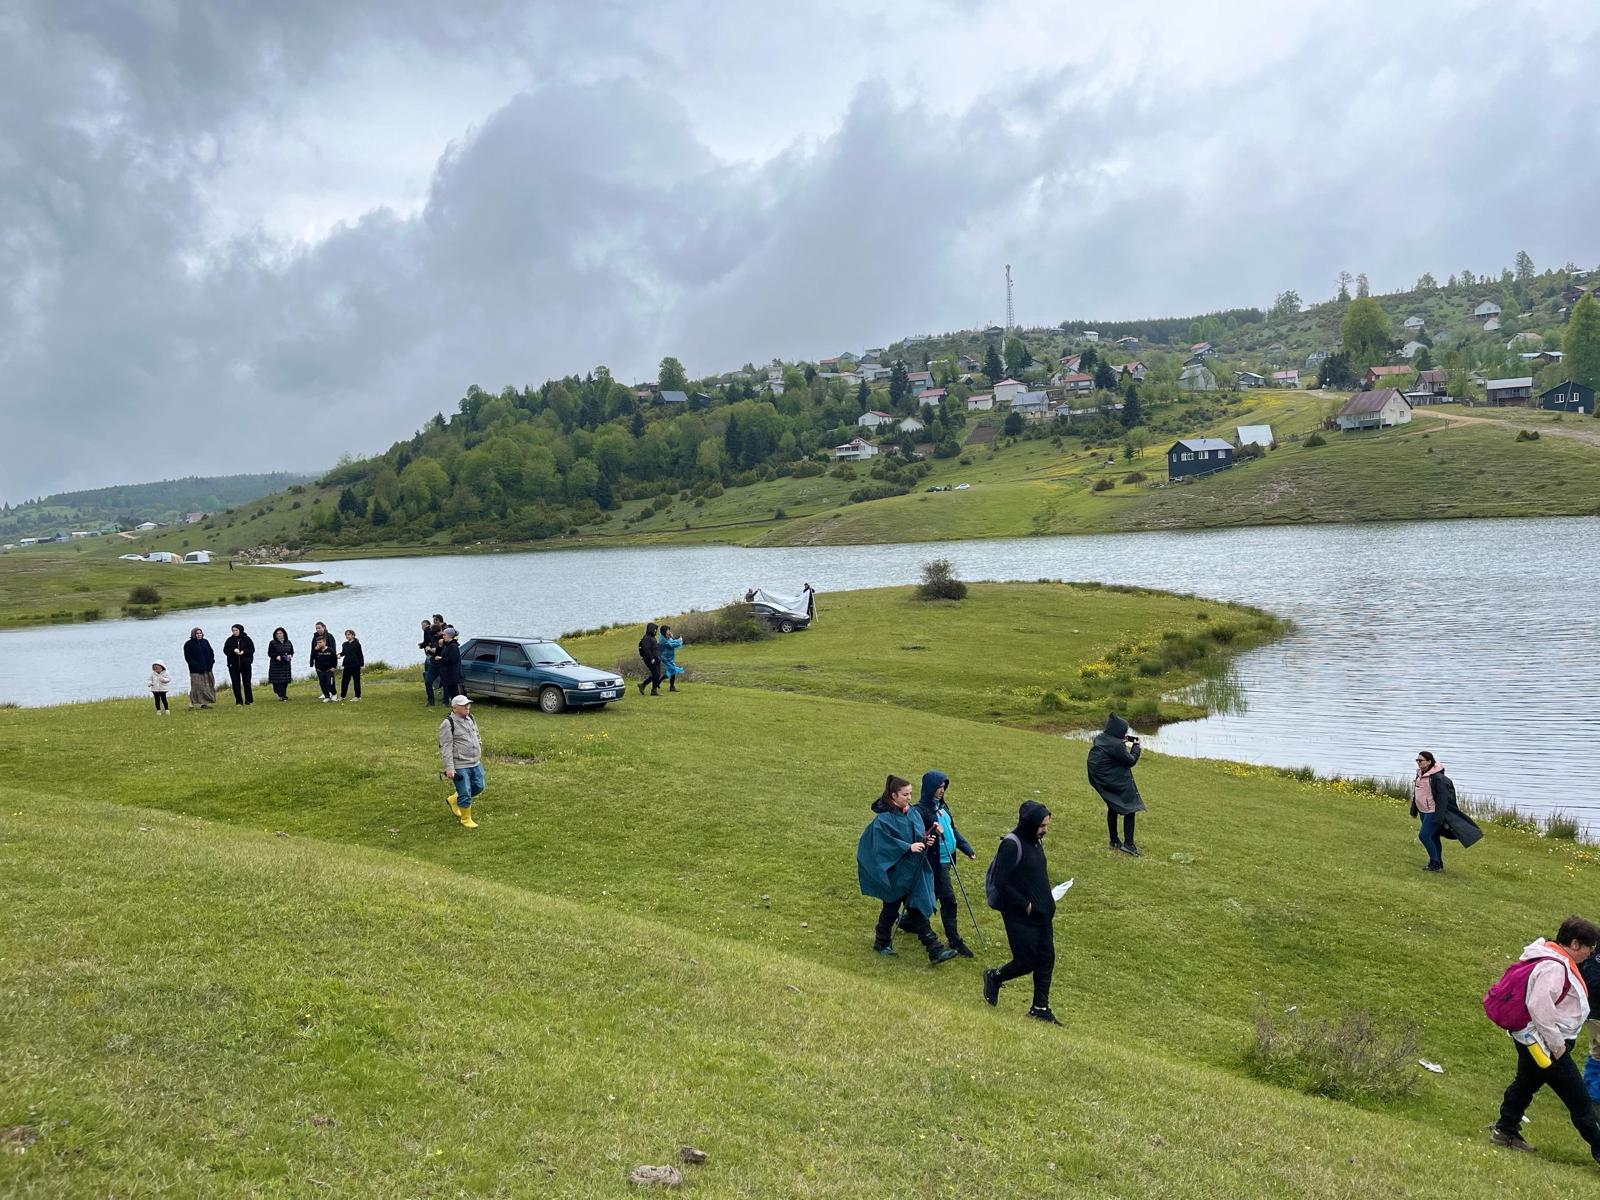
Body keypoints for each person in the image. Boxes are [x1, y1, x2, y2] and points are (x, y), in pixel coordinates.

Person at [1487, 916, 1600, 1164]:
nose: (1589, 955)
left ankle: (1505, 1129)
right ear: (1574, 943)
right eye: (1588, 948)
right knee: (1579, 1100)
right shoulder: (1555, 967)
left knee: (1526, 1083)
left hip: (1534, 1040)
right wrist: (1558, 1047)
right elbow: (1539, 1007)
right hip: (1546, 1044)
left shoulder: (1548, 954)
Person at [856, 774, 959, 965]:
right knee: (900, 906)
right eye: (905, 794)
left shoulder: (910, 812)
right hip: (895, 872)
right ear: (893, 795)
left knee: (897, 906)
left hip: (911, 869)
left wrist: (925, 839)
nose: (909, 798)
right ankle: (933, 948)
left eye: (911, 794)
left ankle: (884, 941)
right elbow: (883, 845)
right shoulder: (883, 820)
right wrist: (907, 847)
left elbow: (916, 834)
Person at [982, 801, 1061, 1024]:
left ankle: (1040, 1008)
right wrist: (1026, 905)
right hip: (1020, 915)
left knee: (1046, 960)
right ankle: (995, 977)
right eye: (1042, 825)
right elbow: (1001, 882)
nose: (1045, 830)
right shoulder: (1011, 845)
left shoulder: (1036, 842)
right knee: (1026, 961)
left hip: (1043, 914)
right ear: (1030, 824)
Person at [911, 769, 977, 957]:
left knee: (933, 895)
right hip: (934, 862)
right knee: (948, 899)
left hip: (948, 860)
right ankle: (954, 940)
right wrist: (929, 836)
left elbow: (952, 830)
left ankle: (909, 920)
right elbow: (917, 835)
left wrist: (967, 848)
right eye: (939, 787)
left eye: (943, 787)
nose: (942, 791)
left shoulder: (943, 807)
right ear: (930, 788)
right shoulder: (920, 810)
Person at [1411, 750, 1483, 872]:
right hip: (1423, 810)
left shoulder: (1437, 778)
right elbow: (1418, 792)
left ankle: (1435, 863)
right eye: (1417, 760)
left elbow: (1443, 798)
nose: (1418, 763)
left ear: (1429, 762)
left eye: (1421, 760)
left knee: (1424, 836)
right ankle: (1438, 863)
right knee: (1433, 836)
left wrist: (1438, 816)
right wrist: (1414, 808)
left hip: (1433, 812)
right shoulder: (1420, 774)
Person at [1087, 712, 1145, 856]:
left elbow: (1110, 749)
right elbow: (1130, 761)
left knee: (1113, 806)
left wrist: (1121, 741)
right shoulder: (1116, 745)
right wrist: (1136, 747)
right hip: (1113, 778)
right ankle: (1129, 845)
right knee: (1130, 808)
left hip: (1102, 778)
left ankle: (1114, 841)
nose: (1125, 734)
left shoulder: (1101, 738)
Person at [438, 694, 483, 829]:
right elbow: (445, 747)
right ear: (455, 707)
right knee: (465, 792)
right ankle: (465, 819)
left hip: (475, 762)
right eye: (464, 705)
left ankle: (453, 799)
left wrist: (479, 744)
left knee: (479, 786)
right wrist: (450, 768)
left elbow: (477, 734)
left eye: (468, 704)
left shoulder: (471, 718)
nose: (467, 707)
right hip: (460, 765)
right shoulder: (448, 724)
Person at [182, 627, 216, 709]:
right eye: (197, 633)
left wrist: (211, 663)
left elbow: (211, 653)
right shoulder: (188, 644)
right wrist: (196, 665)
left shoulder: (205, 642)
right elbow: (188, 658)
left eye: (200, 633)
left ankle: (204, 704)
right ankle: (191, 703)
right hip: (195, 670)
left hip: (207, 669)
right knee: (197, 686)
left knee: (207, 686)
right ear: (194, 634)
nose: (199, 635)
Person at [222, 623, 255, 705]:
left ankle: (249, 700)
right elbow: (225, 650)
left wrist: (244, 652)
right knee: (235, 683)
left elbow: (252, 649)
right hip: (233, 665)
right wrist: (233, 650)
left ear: (240, 630)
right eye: (233, 630)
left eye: (236, 630)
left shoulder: (247, 639)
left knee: (247, 682)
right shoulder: (229, 640)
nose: (235, 632)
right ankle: (239, 701)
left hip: (245, 664)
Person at [435, 626, 464, 699]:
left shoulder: (453, 646)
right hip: (447, 674)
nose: (443, 636)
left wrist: (441, 658)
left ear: (450, 636)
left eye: (445, 635)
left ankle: (458, 707)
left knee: (454, 693)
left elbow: (451, 660)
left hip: (452, 674)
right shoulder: (447, 645)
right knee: (451, 692)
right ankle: (455, 707)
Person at [266, 627, 294, 701]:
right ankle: (281, 696)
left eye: (280, 633)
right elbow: (270, 653)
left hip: (286, 664)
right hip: (276, 664)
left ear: (284, 634)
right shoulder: (272, 643)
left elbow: (291, 651)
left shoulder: (288, 642)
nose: (279, 635)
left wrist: (290, 655)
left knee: (285, 681)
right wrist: (276, 656)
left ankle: (283, 695)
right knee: (278, 681)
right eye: (277, 633)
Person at [418, 618, 440, 706]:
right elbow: (429, 642)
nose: (422, 628)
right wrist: (430, 650)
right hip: (433, 663)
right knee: (428, 681)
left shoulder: (442, 639)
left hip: (441, 664)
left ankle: (446, 701)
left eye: (423, 626)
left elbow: (427, 641)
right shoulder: (433, 636)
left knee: (446, 683)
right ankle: (431, 702)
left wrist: (423, 645)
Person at [310, 635, 338, 701]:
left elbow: (334, 659)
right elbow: (313, 657)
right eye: (317, 642)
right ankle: (327, 696)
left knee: (330, 683)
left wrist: (334, 667)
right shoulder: (317, 650)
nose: (319, 644)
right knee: (322, 684)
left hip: (329, 670)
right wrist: (315, 650)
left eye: (320, 642)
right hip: (320, 670)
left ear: (324, 642)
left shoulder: (330, 650)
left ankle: (334, 694)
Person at [637, 622, 662, 696]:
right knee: (656, 674)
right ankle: (643, 685)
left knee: (658, 674)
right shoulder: (646, 638)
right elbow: (646, 649)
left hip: (656, 658)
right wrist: (651, 658)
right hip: (650, 659)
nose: (655, 631)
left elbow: (654, 648)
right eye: (654, 629)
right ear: (651, 629)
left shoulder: (652, 637)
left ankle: (653, 691)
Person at [339, 629, 364, 702]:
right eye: (346, 635)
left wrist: (361, 665)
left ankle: (357, 696)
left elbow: (360, 655)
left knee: (356, 681)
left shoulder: (357, 644)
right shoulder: (344, 644)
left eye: (349, 634)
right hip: (347, 665)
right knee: (344, 681)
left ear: (353, 635)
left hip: (356, 665)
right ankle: (342, 696)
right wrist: (339, 654)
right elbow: (343, 652)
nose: (347, 636)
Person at [658, 624, 684, 692]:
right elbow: (671, 645)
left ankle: (660, 682)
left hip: (669, 658)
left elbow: (671, 641)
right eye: (667, 630)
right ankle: (671, 687)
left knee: (671, 671)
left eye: (669, 630)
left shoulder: (666, 637)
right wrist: (679, 641)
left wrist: (673, 638)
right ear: (664, 631)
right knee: (673, 670)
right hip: (665, 658)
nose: (669, 631)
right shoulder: (663, 640)